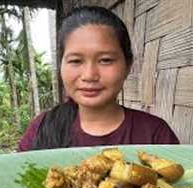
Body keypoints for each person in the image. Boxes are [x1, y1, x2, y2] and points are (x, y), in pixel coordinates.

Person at [18, 6, 179, 152]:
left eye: (105, 60)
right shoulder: (41, 128)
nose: (89, 75)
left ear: (128, 65)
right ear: (61, 65)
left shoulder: (155, 134)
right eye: (75, 61)